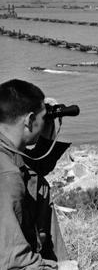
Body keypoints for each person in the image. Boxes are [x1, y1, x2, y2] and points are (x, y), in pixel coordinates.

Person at [0, 79, 78, 270]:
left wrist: (45, 125)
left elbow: (33, 174)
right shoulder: (7, 176)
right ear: (28, 120)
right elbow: (14, 263)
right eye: (41, 119)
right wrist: (59, 268)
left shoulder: (8, 155)